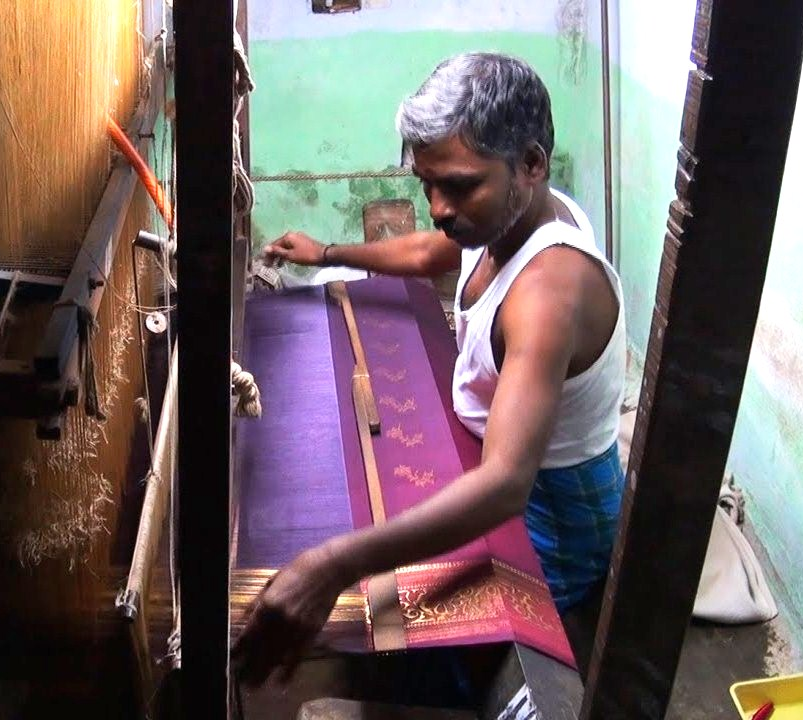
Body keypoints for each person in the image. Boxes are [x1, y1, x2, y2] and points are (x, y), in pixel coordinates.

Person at [234, 52, 626, 685]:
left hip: (553, 513)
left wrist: (332, 564)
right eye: (427, 185)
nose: (440, 208)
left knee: (413, 643)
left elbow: (504, 485)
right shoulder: (508, 212)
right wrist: (328, 251)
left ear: (530, 164)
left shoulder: (549, 291)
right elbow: (429, 250)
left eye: (459, 186)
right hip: (503, 457)